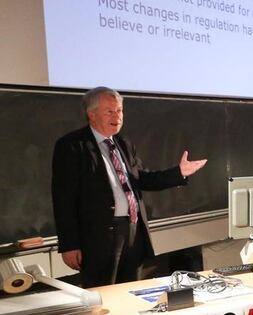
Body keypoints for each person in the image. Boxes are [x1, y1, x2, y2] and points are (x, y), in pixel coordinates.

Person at [52, 86, 207, 288]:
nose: (117, 116)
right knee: (104, 294)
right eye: (110, 111)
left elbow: (142, 179)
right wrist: (69, 244)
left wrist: (179, 173)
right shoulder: (72, 145)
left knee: (131, 290)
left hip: (134, 231)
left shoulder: (124, 143)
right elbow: (63, 198)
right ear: (91, 114)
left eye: (120, 110)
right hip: (99, 237)